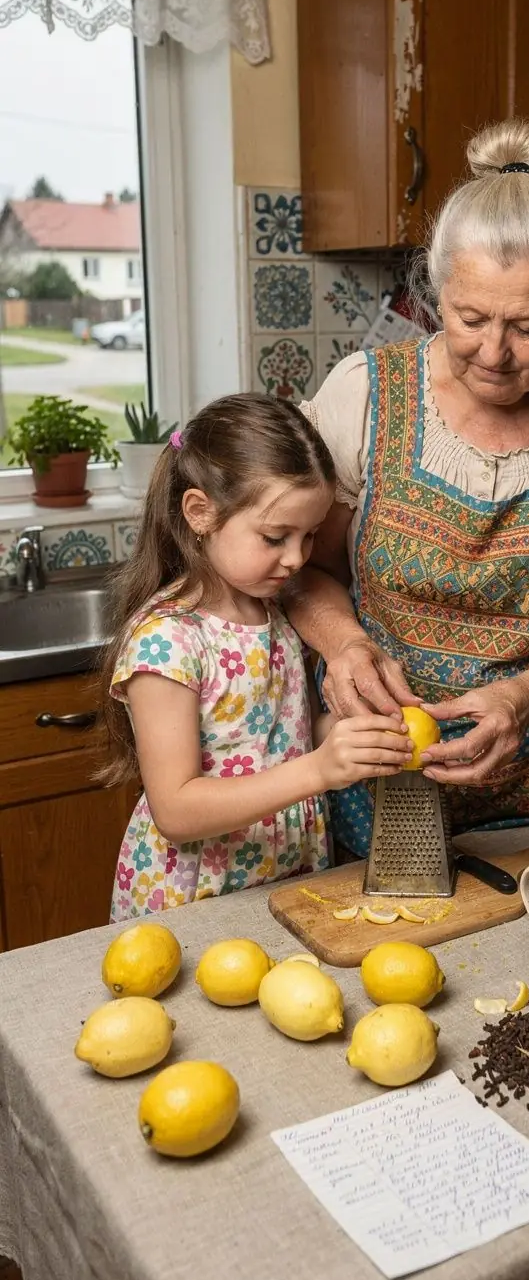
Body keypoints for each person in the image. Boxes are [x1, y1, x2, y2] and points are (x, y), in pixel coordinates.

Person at [288, 118, 529, 857]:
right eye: (470, 318)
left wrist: (525, 697)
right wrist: (344, 648)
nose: (494, 353)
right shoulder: (365, 395)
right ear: (437, 290)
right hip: (379, 786)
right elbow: (304, 565)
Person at [100, 394, 412, 921]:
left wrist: (339, 733)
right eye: (275, 537)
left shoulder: (275, 611)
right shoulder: (168, 641)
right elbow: (176, 808)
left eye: (309, 535)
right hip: (197, 894)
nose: (296, 558)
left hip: (285, 874)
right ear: (200, 513)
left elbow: (269, 737)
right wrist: (319, 770)